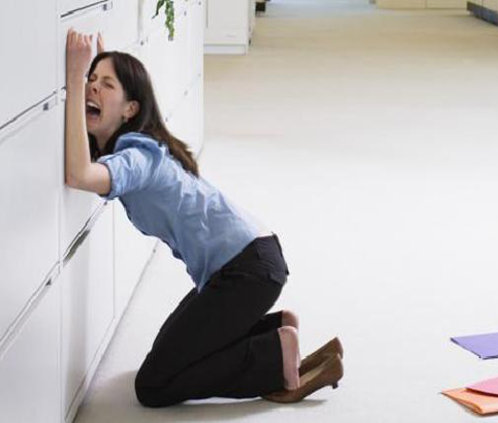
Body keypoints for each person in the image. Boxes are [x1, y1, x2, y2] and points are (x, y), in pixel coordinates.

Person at [64, 28, 344, 407]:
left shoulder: (137, 158)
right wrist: (96, 73)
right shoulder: (141, 145)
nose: (93, 87)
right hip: (250, 262)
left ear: (130, 109)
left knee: (153, 385)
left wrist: (74, 78)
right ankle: (275, 329)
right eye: (91, 80)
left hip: (245, 273)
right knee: (170, 354)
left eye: (106, 84)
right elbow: (91, 154)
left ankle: (274, 357)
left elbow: (80, 174)